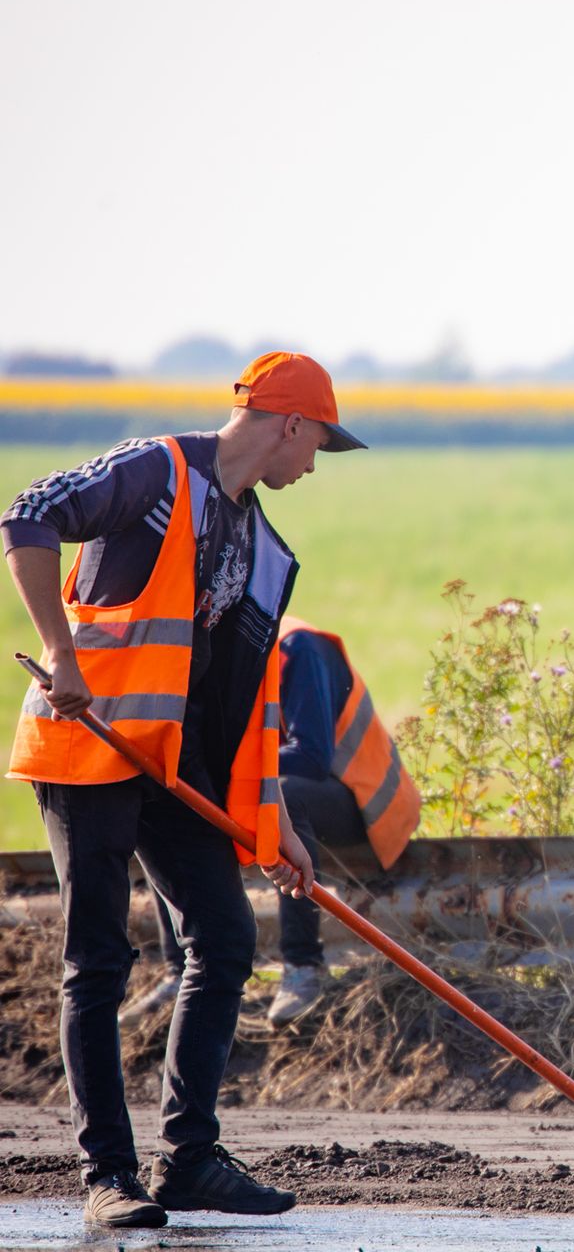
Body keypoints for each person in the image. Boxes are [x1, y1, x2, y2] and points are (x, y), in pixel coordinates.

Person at [3, 352, 359, 1229]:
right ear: (290, 423)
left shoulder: (257, 541)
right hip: (91, 740)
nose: (315, 465)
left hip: (171, 761)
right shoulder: (153, 470)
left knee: (226, 935)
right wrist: (60, 652)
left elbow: (243, 701)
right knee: (99, 958)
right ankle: (107, 1178)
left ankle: (188, 1159)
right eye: (319, 444)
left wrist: (274, 820)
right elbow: (27, 516)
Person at [122, 615, 422, 1027]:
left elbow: (311, 757)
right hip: (293, 794)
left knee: (284, 793)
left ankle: (304, 966)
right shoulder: (212, 652)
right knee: (171, 795)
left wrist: (227, 771)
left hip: (368, 802)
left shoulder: (297, 648)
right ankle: (179, 972)